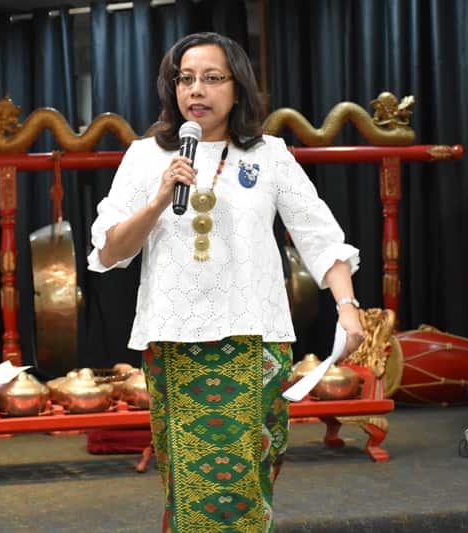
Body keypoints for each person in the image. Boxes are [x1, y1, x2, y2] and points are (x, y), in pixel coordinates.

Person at [88, 31, 364, 533]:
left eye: (212, 79)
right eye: (185, 79)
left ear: (238, 88)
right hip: (175, 341)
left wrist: (347, 306)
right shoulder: (146, 156)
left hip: (255, 336)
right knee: (191, 480)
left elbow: (319, 236)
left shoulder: (270, 154)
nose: (197, 90)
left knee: (249, 474)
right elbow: (109, 251)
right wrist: (156, 200)